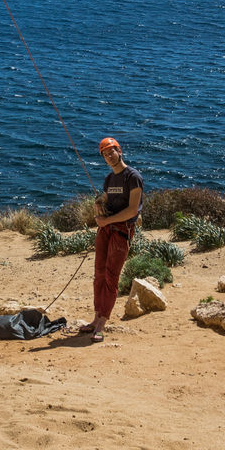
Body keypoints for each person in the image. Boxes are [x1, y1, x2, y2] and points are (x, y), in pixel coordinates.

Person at [80, 137, 143, 343]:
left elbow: (133, 210)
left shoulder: (132, 177)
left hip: (121, 231)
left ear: (119, 151)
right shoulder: (109, 179)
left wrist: (106, 221)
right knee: (98, 274)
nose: (109, 156)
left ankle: (102, 323)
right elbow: (107, 197)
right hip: (106, 230)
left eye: (111, 152)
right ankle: (96, 317)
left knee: (110, 276)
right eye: (105, 154)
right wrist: (99, 203)